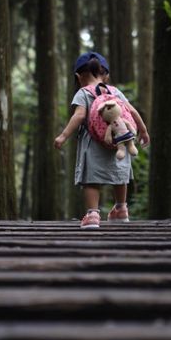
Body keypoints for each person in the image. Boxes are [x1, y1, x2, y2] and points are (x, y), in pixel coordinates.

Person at [54, 51, 150, 229]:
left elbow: (79, 115)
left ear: (78, 76)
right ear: (105, 74)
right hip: (118, 142)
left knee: (91, 179)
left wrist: (63, 136)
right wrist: (143, 131)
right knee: (121, 174)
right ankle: (121, 209)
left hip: (93, 144)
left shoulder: (83, 92)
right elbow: (133, 111)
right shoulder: (115, 92)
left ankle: (92, 215)